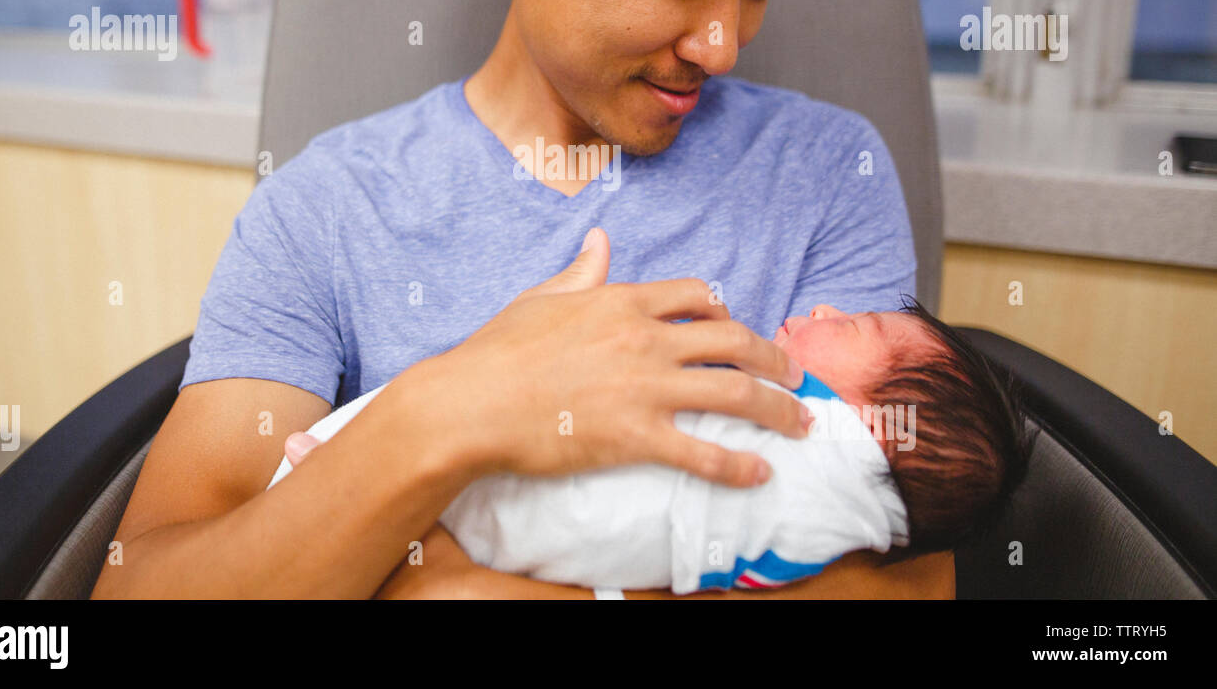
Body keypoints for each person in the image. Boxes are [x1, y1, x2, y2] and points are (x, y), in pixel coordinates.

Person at [92, 0, 956, 599]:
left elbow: (902, 584)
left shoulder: (825, 175)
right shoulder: (324, 210)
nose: (723, 46)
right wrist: (455, 411)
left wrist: (449, 593)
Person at [270, 298, 1032, 594]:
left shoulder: (825, 471)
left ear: (876, 427)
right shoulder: (329, 197)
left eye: (858, 326)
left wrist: (442, 581)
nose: (829, 306)